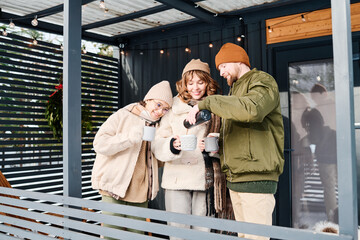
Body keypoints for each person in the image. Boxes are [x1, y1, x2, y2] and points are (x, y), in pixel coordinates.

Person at [186, 43, 285, 240]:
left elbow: (252, 110)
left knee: (257, 237)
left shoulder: (263, 81)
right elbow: (245, 132)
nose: (221, 72)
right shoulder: (235, 91)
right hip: (237, 178)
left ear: (237, 60)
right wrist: (219, 140)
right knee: (244, 237)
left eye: (223, 66)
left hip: (255, 177)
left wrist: (207, 103)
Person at [152, 59, 224, 239]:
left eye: (201, 82)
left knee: (203, 232)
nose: (195, 88)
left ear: (208, 82)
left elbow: (228, 140)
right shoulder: (172, 107)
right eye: (190, 83)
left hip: (204, 178)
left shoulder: (218, 106)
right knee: (178, 232)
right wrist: (172, 145)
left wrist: (212, 147)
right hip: (177, 178)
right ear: (184, 84)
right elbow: (157, 141)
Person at [91, 81, 173, 239]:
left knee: (137, 237)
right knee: (110, 236)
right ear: (148, 99)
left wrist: (170, 147)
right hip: (114, 188)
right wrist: (130, 138)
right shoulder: (124, 115)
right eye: (158, 104)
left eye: (165, 109)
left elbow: (158, 162)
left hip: (140, 192)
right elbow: (99, 144)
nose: (160, 111)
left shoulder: (160, 126)